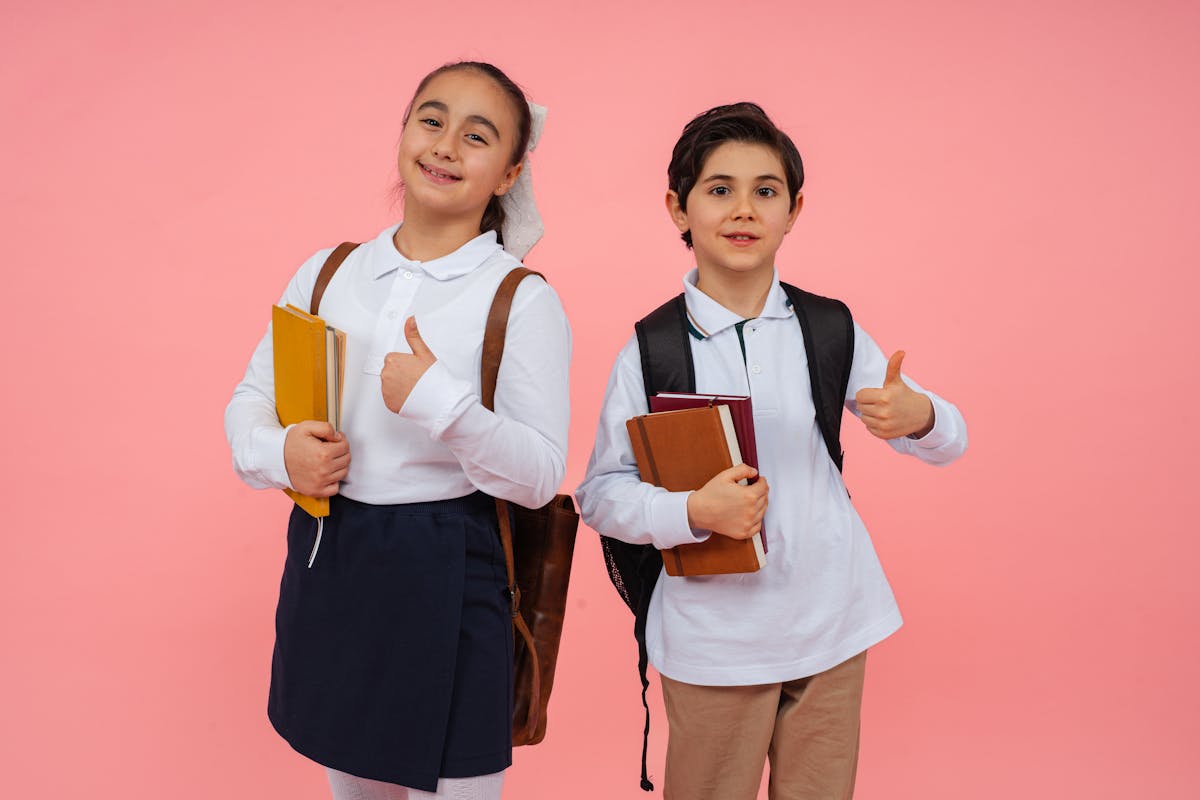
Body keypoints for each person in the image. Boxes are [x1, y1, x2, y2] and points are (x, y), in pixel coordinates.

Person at [576, 102, 967, 799]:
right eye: (719, 188)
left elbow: (948, 441)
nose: (743, 208)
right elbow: (601, 494)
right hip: (715, 645)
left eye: (766, 190)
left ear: (793, 209)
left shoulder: (829, 327)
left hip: (835, 625)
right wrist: (693, 509)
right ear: (679, 208)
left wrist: (920, 416)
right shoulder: (650, 350)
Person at [224, 61, 570, 800]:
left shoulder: (519, 298)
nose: (446, 145)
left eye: (477, 137)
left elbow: (540, 475)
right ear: (404, 131)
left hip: (452, 567)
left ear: (510, 173)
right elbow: (250, 401)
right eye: (431, 120)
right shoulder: (328, 273)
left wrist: (442, 403)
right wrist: (278, 450)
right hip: (333, 558)